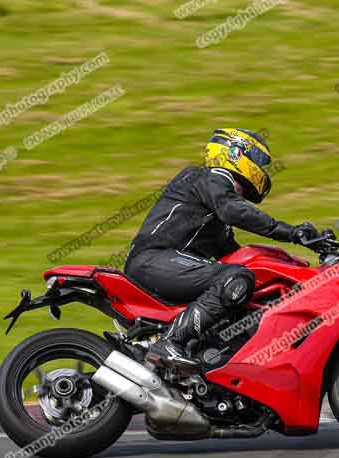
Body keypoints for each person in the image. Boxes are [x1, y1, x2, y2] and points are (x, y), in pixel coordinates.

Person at [124, 128, 320, 371]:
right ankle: (170, 342)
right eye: (259, 162)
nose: (262, 171)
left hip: (166, 265)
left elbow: (238, 255)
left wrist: (288, 267)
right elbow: (236, 211)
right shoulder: (209, 178)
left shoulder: (215, 210)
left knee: (244, 279)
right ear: (236, 154)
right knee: (236, 277)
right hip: (154, 260)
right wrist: (292, 232)